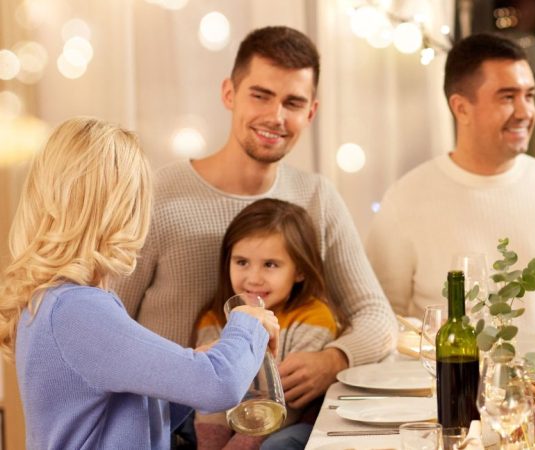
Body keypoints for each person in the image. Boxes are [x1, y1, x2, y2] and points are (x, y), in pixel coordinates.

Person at [109, 26, 397, 420]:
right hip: (165, 429)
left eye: (293, 102)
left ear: (310, 112)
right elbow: (106, 323)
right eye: (260, 95)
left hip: (278, 425)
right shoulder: (154, 196)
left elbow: (377, 317)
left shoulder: (317, 198)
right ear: (229, 93)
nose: (275, 116)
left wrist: (334, 359)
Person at [0, 117, 280, 450]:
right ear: (122, 208)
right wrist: (246, 322)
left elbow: (135, 417)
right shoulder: (78, 311)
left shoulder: (59, 302)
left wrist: (191, 367)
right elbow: (219, 385)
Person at [366, 33, 535, 332]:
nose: (525, 113)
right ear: (461, 108)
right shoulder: (405, 199)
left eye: (529, 96)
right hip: (451, 377)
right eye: (507, 97)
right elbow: (382, 320)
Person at [194, 199, 348, 449]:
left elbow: (286, 401)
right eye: (242, 262)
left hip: (291, 421)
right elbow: (209, 396)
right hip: (230, 421)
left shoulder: (313, 318)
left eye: (270, 265)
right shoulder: (214, 319)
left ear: (299, 271)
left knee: (280, 444)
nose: (253, 279)